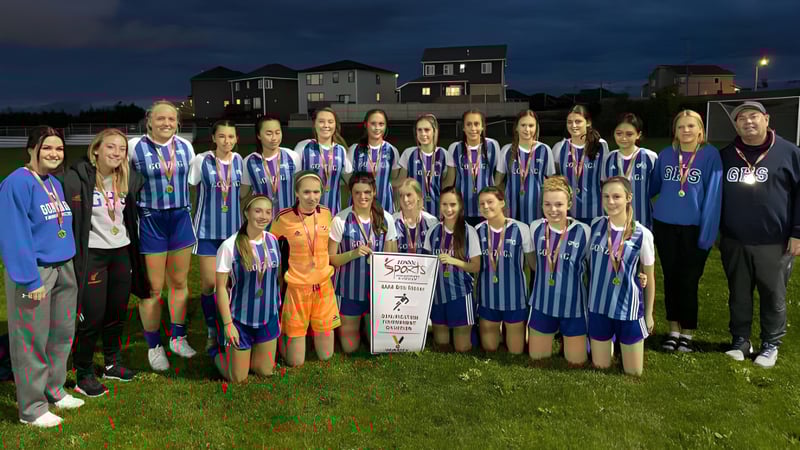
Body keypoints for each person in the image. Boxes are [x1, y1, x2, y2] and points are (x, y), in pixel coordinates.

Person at [0, 126, 84, 427]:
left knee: (61, 334)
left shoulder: (54, 183)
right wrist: (29, 278)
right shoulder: (16, 183)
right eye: (47, 147)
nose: (54, 153)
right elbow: (13, 234)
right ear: (31, 149)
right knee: (31, 340)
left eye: (59, 149)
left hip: (64, 267)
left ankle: (53, 389)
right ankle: (32, 408)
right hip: (36, 271)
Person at [64, 128, 149, 397]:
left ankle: (112, 363)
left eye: (122, 149)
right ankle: (84, 372)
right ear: (96, 150)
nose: (117, 153)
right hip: (94, 254)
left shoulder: (127, 178)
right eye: (111, 147)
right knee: (92, 316)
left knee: (116, 312)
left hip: (121, 252)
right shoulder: (79, 177)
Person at [719, 101, 800, 368]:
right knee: (738, 293)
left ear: (766, 119)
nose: (748, 122)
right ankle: (740, 340)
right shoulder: (726, 155)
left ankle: (770, 344)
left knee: (773, 294)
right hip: (735, 239)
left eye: (753, 116)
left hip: (775, 240)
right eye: (741, 119)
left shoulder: (789, 152)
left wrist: (798, 232)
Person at [128, 100, 198, 371]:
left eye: (171, 119)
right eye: (160, 118)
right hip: (151, 220)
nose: (166, 123)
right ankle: (154, 346)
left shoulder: (186, 146)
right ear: (149, 121)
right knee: (153, 288)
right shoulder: (135, 146)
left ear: (177, 122)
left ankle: (178, 337)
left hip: (179, 218)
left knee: (179, 282)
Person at [650, 110, 722, 352]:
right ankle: (673, 329)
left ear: (700, 129)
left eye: (691, 126)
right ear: (675, 130)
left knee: (689, 280)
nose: (686, 131)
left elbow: (713, 195)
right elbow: (652, 186)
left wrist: (707, 233)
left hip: (694, 228)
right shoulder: (666, 154)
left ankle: (688, 332)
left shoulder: (710, 155)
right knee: (670, 278)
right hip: (665, 226)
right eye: (681, 126)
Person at [271, 171, 341, 366]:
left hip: (323, 289)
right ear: (297, 193)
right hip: (297, 290)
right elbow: (269, 245)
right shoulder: (283, 218)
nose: (312, 197)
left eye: (316, 192)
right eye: (306, 192)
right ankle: (283, 337)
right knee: (295, 362)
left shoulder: (326, 214)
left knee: (326, 355)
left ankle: (312, 332)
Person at [588, 177, 656, 376]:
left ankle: (621, 345)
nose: (610, 202)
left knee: (634, 373)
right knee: (600, 369)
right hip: (599, 307)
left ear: (628, 198)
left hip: (629, 310)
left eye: (616, 196)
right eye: (606, 196)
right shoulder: (595, 226)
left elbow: (650, 277)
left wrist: (649, 314)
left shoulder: (642, 234)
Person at [211, 194, 281, 382]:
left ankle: (246, 355)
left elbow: (276, 279)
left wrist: (277, 308)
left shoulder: (273, 240)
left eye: (268, 212)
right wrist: (228, 324)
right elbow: (220, 288)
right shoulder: (229, 246)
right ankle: (215, 353)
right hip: (240, 321)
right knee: (238, 378)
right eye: (258, 211)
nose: (263, 216)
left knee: (265, 371)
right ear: (246, 213)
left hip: (267, 317)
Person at [189, 120, 244, 350]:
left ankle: (229, 325)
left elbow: (244, 191)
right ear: (213, 138)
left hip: (233, 233)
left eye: (231, 136)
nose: (226, 141)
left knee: (231, 282)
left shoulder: (239, 160)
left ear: (236, 139)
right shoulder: (201, 160)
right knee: (210, 284)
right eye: (221, 136)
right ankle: (212, 329)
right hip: (207, 231)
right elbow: (189, 185)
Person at [329, 172, 398, 352]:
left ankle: (370, 327)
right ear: (351, 193)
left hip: (377, 291)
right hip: (348, 290)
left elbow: (392, 255)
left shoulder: (386, 218)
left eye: (367, 192)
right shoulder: (340, 220)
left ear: (374, 191)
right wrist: (352, 254)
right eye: (357, 192)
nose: (362, 197)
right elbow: (331, 259)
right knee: (350, 348)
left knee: (378, 345)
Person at [528, 177, 591, 365]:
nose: (553, 209)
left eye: (559, 204)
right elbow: (533, 263)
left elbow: (593, 267)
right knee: (537, 360)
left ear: (569, 204)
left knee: (576, 363)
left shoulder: (584, 232)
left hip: (573, 306)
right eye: (547, 204)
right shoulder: (535, 228)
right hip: (542, 303)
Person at [474, 187, 534, 354]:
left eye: (490, 202)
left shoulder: (521, 229)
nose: (486, 206)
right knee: (490, 349)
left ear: (502, 203)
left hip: (515, 298)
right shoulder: (477, 230)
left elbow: (533, 264)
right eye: (482, 204)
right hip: (487, 297)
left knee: (516, 352)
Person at [423, 186, 481, 352]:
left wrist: (453, 261)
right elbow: (426, 263)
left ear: (460, 206)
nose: (448, 209)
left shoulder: (469, 231)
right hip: (438, 294)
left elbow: (476, 266)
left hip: (460, 293)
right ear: (439, 205)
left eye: (453, 205)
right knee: (442, 346)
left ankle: (473, 335)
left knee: (462, 348)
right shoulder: (433, 231)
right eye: (444, 204)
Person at [495, 110, 556, 224]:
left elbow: (552, 183)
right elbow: (497, 182)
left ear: (536, 128)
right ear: (516, 127)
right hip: (512, 209)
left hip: (538, 209)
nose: (527, 129)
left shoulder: (544, 150)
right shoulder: (506, 150)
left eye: (531, 125)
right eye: (523, 125)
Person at [553, 105, 609, 225]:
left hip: (595, 210)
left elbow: (605, 179)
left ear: (588, 122)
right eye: (569, 122)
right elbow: (556, 179)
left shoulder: (600, 145)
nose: (573, 125)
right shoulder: (559, 147)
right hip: (568, 212)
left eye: (578, 121)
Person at [602, 113, 658, 229]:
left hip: (643, 220)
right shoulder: (609, 158)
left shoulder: (650, 157)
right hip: (615, 221)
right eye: (619, 133)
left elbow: (656, 187)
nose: (623, 138)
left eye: (629, 134)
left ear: (638, 135)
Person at [448, 109, 500, 226]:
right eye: (469, 124)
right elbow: (451, 180)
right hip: (463, 209)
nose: (473, 128)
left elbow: (498, 178)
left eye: (476, 124)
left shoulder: (492, 146)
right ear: (463, 127)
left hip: (488, 208)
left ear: (482, 127)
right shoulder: (455, 148)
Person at [296, 108, 352, 215]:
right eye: (321, 121)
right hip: (305, 214)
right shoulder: (303, 147)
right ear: (314, 124)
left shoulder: (341, 150)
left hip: (333, 213)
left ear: (335, 125)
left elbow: (350, 181)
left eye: (330, 122)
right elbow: (293, 181)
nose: (326, 125)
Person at [398, 114, 455, 218]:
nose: (423, 133)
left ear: (434, 131)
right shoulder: (408, 153)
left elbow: (447, 187)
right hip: (413, 211)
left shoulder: (444, 154)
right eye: (419, 130)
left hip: (438, 212)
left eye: (427, 130)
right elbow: (401, 184)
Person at [241, 117, 302, 212]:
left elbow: (300, 187)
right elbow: (242, 194)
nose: (274, 138)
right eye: (269, 134)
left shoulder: (292, 156)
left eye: (277, 133)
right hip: (262, 218)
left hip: (289, 217)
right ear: (259, 135)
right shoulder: (249, 161)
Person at [347, 109, 401, 213]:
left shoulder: (392, 150)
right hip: (359, 207)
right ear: (365, 125)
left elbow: (394, 182)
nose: (377, 128)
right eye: (373, 124)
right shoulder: (355, 150)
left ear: (386, 126)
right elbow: (349, 182)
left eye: (381, 124)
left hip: (385, 207)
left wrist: (397, 207)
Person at [393, 178, 439, 254]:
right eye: (401, 195)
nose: (405, 199)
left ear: (418, 196)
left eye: (409, 195)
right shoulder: (393, 221)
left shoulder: (431, 222)